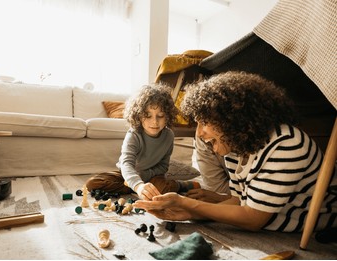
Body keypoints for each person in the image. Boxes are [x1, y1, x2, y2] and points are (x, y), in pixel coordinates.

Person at [134, 71, 337, 232]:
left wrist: (186, 203)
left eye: (204, 122)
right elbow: (240, 201)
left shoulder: (286, 143)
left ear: (232, 118)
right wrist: (190, 214)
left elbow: (253, 218)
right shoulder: (236, 147)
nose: (199, 133)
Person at [85, 83, 200, 201]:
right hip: (129, 173)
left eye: (160, 116)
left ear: (167, 116)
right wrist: (138, 184)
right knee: (92, 184)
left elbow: (163, 166)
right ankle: (135, 187)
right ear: (138, 116)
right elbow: (126, 164)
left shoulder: (169, 135)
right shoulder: (134, 134)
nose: (154, 122)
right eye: (148, 116)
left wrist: (145, 176)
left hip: (153, 176)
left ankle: (182, 185)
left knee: (162, 190)